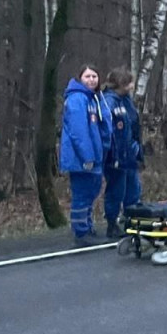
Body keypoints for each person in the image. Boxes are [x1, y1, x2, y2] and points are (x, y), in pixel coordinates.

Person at [61, 64, 113, 245]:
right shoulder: (77, 99)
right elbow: (78, 132)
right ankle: (80, 232)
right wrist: (87, 156)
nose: (92, 80)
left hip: (95, 155)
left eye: (94, 76)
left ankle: (88, 226)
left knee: (91, 192)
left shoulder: (94, 99)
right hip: (81, 157)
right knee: (82, 194)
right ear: (80, 79)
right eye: (87, 76)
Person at [102, 68, 143, 239]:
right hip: (116, 155)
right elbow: (110, 132)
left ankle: (131, 219)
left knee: (133, 188)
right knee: (116, 189)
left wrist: (136, 148)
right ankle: (112, 223)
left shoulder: (126, 101)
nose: (133, 85)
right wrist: (114, 154)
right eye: (130, 82)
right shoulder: (109, 102)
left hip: (129, 153)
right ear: (122, 84)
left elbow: (132, 125)